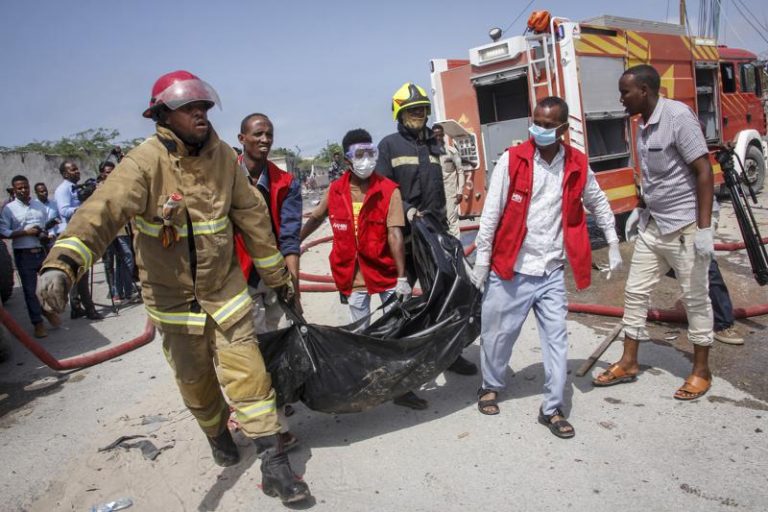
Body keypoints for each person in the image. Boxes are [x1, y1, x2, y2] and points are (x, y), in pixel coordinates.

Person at [36, 70, 310, 503]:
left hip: (226, 293)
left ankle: (276, 467)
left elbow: (254, 220)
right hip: (173, 303)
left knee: (251, 378)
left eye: (204, 108)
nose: (201, 116)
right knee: (195, 383)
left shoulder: (223, 158)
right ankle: (216, 432)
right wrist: (63, 263)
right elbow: (102, 212)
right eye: (190, 109)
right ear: (163, 115)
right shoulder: (144, 163)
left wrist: (279, 279)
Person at [471, 96, 621, 439]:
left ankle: (552, 407)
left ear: (564, 129)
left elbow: (596, 199)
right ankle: (490, 384)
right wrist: (482, 262)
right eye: (535, 122)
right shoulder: (513, 160)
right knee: (497, 335)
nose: (538, 129)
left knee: (557, 341)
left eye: (547, 125)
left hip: (551, 270)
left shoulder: (577, 164)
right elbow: (491, 213)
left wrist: (613, 240)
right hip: (511, 268)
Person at [593, 64, 715, 400]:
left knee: (695, 299)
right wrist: (641, 208)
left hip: (685, 226)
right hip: (654, 225)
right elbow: (656, 177)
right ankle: (629, 361)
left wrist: (704, 229)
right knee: (634, 293)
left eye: (625, 92)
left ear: (644, 91)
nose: (621, 99)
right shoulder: (642, 125)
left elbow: (704, 173)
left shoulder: (677, 117)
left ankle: (701, 371)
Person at [301, 129, 427, 410]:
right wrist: (294, 243)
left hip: (384, 273)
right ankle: (370, 383)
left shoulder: (388, 190)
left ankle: (402, 388)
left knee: (395, 331)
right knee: (362, 334)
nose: (366, 160)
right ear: (347, 159)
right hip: (352, 275)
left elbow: (395, 233)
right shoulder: (335, 191)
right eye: (360, 155)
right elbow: (317, 217)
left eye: (370, 154)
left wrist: (402, 278)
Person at [376, 81, 477, 376]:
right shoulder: (389, 146)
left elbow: (442, 189)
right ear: (400, 113)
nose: (418, 115)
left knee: (445, 296)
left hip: (435, 236)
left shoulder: (435, 147)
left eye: (422, 110)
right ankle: (402, 363)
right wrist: (407, 210)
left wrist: (447, 226)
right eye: (412, 110)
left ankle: (449, 355)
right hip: (405, 239)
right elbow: (383, 190)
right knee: (402, 303)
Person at [235, 113, 302, 333]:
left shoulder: (286, 183)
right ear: (241, 138)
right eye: (258, 134)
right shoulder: (225, 178)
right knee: (250, 346)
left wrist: (295, 291)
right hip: (239, 278)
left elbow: (289, 239)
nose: (265, 139)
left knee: (278, 340)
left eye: (269, 134)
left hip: (275, 279)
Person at [0, 175, 61, 337]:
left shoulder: (38, 205)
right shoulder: (9, 209)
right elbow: (3, 231)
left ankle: (47, 310)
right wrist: (25, 232)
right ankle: (38, 323)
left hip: (41, 251)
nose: (23, 190)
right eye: (19, 188)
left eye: (25, 187)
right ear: (14, 190)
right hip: (24, 254)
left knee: (48, 286)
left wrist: (46, 231)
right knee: (29, 291)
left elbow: (45, 225)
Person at [54, 160, 103, 320]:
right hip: (73, 235)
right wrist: (83, 208)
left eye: (77, 168)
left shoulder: (76, 187)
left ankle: (76, 307)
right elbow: (64, 211)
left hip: (81, 232)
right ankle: (89, 309)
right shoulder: (63, 190)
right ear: (65, 173)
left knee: (77, 273)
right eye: (73, 169)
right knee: (82, 273)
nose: (77, 171)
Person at [98, 161, 136, 303]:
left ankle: (126, 292)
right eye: (108, 172)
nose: (112, 174)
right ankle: (116, 292)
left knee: (125, 261)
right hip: (109, 231)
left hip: (123, 229)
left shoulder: (120, 186)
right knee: (112, 263)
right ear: (102, 174)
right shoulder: (100, 189)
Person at [432, 123, 467, 239]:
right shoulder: (429, 154)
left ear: (443, 135)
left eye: (440, 135)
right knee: (438, 223)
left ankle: (457, 251)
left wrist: (460, 191)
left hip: (450, 193)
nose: (438, 138)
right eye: (435, 136)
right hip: (435, 195)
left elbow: (460, 171)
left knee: (452, 222)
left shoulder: (451, 152)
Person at [34, 182, 61, 248]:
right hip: (40, 241)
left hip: (54, 239)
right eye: (41, 191)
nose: (45, 193)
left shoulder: (54, 204)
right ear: (36, 193)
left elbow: (59, 219)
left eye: (45, 190)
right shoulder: (33, 206)